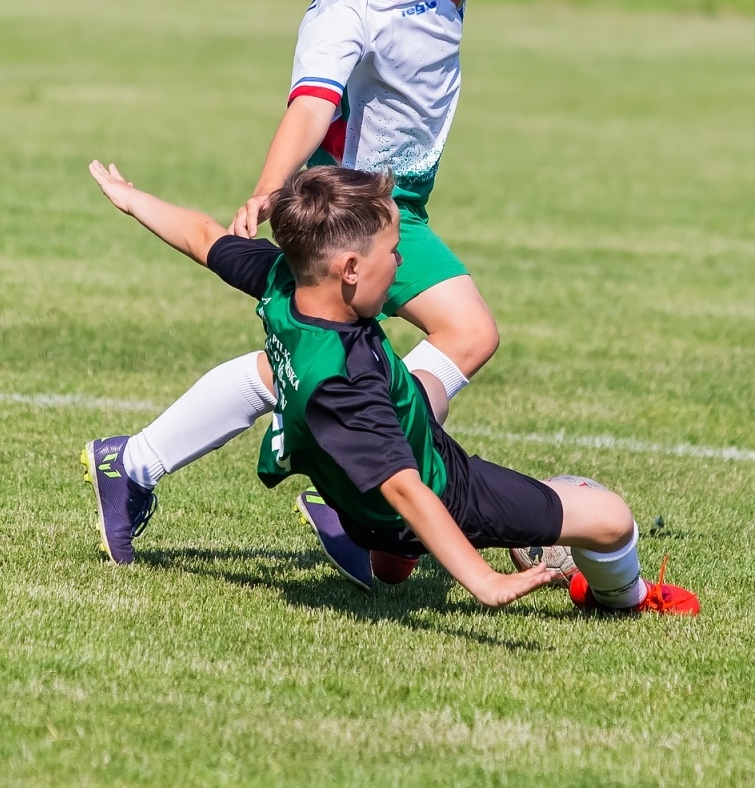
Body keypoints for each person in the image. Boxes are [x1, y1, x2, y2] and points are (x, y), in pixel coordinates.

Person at [94, 0, 694, 568]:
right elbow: (310, 103)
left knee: (300, 367)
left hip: (395, 201)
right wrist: (268, 185)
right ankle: (356, 486)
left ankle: (136, 462)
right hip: (357, 208)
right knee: (466, 333)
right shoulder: (346, 14)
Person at [82, 161, 699, 615]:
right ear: (349, 269)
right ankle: (622, 599)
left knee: (430, 383)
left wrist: (134, 200)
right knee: (609, 517)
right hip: (437, 487)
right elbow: (407, 488)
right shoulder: (346, 385)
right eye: (394, 253)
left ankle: (382, 550)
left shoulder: (284, 280)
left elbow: (203, 235)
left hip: (349, 463)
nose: (402, 265)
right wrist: (482, 580)